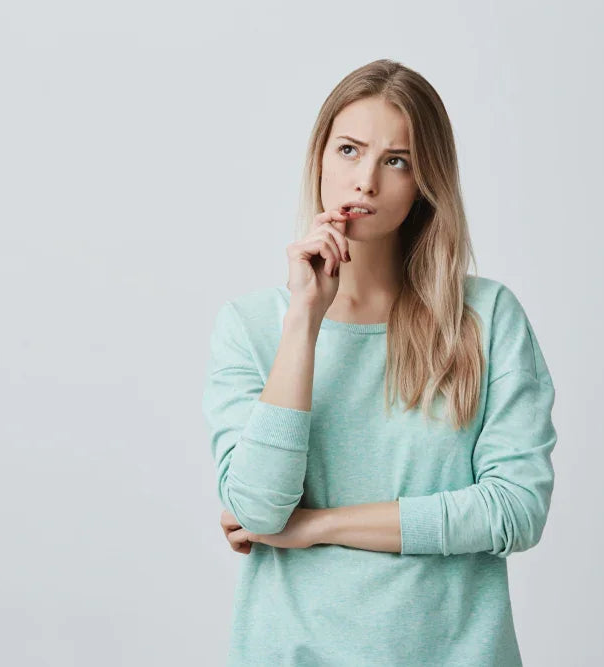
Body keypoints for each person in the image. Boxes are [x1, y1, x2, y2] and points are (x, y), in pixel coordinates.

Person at [201, 58, 557, 666]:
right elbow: (259, 509)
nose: (364, 180)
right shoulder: (254, 327)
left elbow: (514, 511)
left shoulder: (485, 317)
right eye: (347, 150)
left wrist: (318, 527)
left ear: (425, 183)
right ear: (319, 158)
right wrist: (304, 323)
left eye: (396, 161)